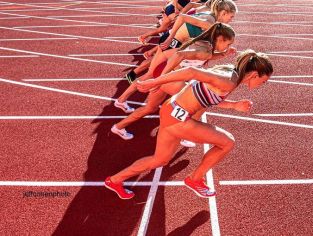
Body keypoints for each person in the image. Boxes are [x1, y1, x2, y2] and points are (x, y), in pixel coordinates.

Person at [105, 50, 273, 199]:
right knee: (227, 142)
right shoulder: (229, 80)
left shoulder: (229, 73)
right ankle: (195, 179)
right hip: (178, 118)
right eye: (264, 81)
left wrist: (234, 105)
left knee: (160, 160)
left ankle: (114, 180)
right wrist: (153, 82)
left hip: (170, 111)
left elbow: (207, 95)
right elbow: (191, 71)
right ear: (254, 75)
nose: (263, 84)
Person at [112, 23, 237, 142]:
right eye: (228, 43)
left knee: (151, 107)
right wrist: (160, 79)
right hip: (168, 76)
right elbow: (179, 54)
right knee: (198, 101)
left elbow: (201, 56)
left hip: (166, 74)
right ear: (220, 39)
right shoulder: (204, 49)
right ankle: (186, 134)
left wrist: (222, 54)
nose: (229, 46)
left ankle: (118, 127)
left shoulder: (205, 46)